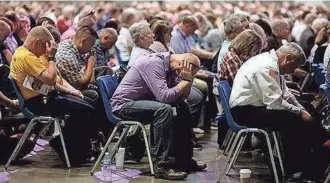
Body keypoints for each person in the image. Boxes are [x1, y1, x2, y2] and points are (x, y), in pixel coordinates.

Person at [229, 43, 330, 181]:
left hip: (256, 106)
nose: (292, 71)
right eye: (294, 66)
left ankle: (321, 142)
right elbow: (275, 102)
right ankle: (299, 163)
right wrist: (300, 113)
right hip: (245, 112)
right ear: (288, 58)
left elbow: (285, 93)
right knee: (294, 119)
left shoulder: (273, 62)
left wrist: (301, 109)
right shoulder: (266, 67)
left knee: (307, 106)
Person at [111, 52, 207, 180]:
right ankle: (162, 166)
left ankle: (184, 161)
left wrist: (188, 81)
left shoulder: (173, 68)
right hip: (124, 105)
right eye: (192, 73)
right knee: (164, 109)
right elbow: (165, 97)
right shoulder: (153, 63)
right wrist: (186, 81)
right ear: (182, 65)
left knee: (182, 107)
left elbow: (182, 96)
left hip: (147, 104)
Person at [9, 26, 96, 164]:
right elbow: (50, 79)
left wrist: (70, 90)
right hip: (38, 104)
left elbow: (50, 82)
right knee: (86, 110)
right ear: (37, 42)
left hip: (43, 97)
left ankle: (74, 149)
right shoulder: (26, 57)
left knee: (86, 104)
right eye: (45, 46)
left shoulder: (23, 52)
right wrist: (51, 57)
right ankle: (71, 150)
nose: (46, 51)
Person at [56, 26, 99, 106]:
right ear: (83, 41)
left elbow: (90, 79)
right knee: (94, 93)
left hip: (74, 83)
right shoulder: (66, 56)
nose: (92, 48)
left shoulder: (73, 45)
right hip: (66, 90)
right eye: (91, 45)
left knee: (103, 74)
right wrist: (91, 62)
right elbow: (82, 82)